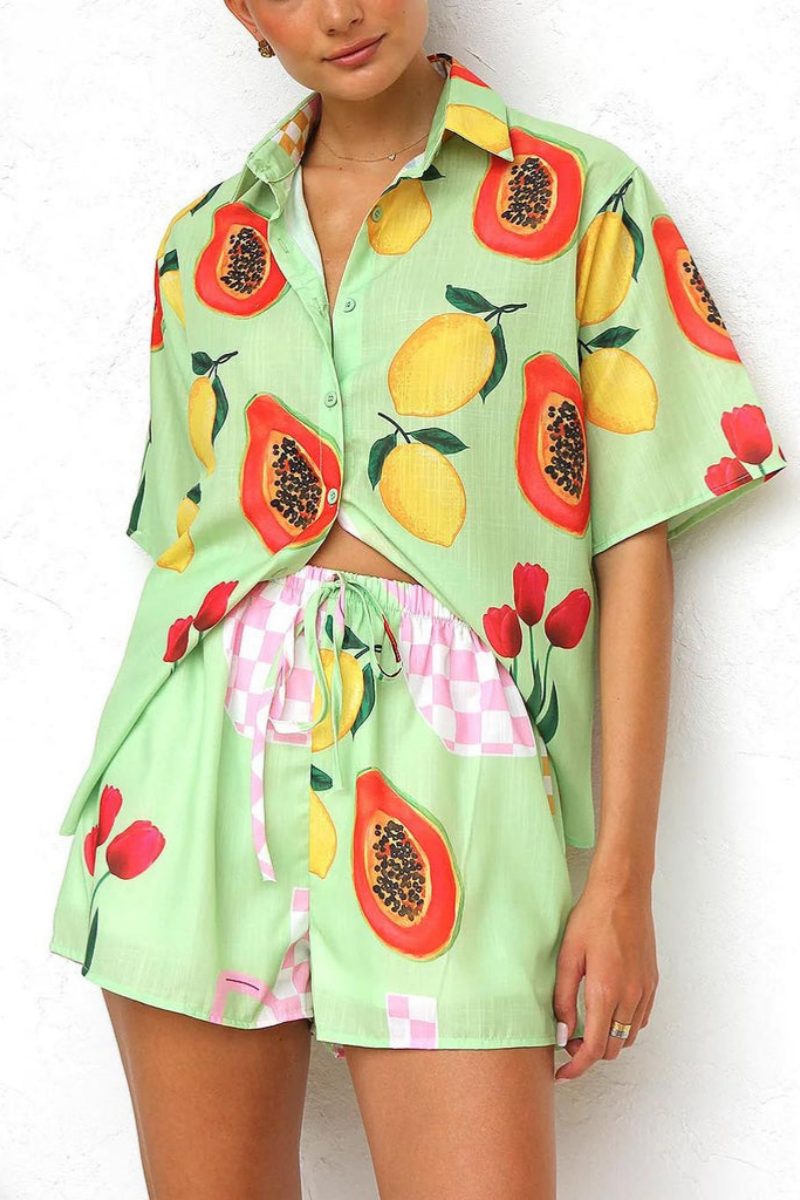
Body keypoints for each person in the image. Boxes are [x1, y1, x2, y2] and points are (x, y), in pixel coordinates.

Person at [49, 3, 789, 1197]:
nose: (339, 11)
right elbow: (192, 545)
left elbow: (632, 542)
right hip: (198, 767)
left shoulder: (579, 200)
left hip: (463, 765)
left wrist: (620, 877)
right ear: (240, 10)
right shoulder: (201, 242)